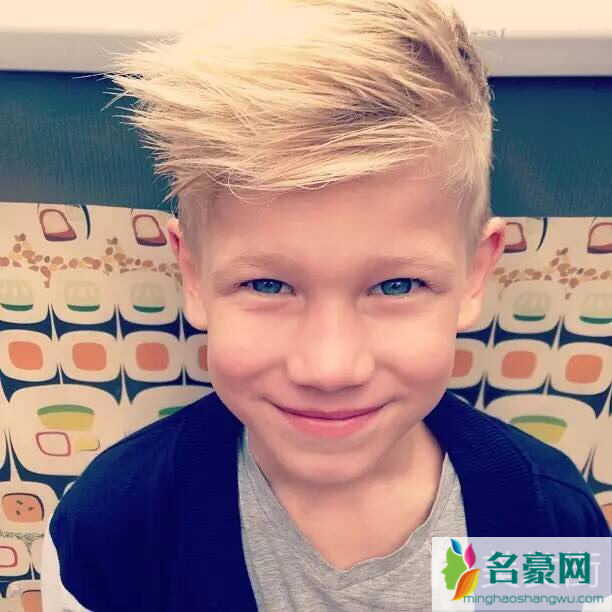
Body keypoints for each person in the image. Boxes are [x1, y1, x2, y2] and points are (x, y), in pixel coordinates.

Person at [41, 1, 610, 610]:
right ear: (194, 276)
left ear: (474, 276)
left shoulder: (539, 523)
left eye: (397, 286)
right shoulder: (115, 529)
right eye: (267, 285)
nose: (330, 368)